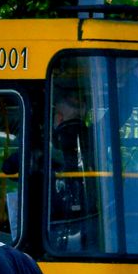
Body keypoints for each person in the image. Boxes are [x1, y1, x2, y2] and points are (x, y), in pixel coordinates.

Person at [49, 92, 97, 251]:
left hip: (57, 221)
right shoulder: (97, 136)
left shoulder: (49, 142)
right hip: (93, 215)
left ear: (59, 117)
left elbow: (8, 167)